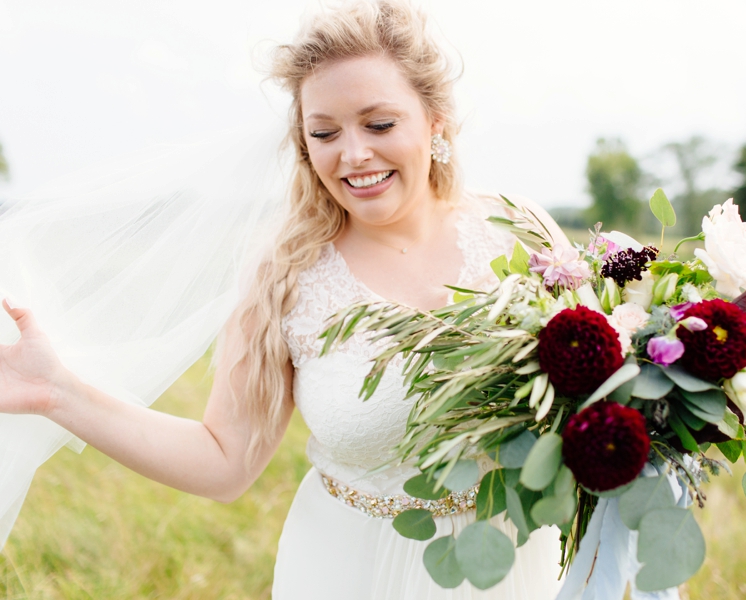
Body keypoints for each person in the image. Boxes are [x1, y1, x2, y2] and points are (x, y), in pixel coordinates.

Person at [0, 1, 571, 597]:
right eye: (324, 132)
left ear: (435, 119)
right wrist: (56, 393)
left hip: (518, 567)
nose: (352, 154)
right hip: (350, 572)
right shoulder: (284, 277)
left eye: (379, 125)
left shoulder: (519, 227)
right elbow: (223, 463)